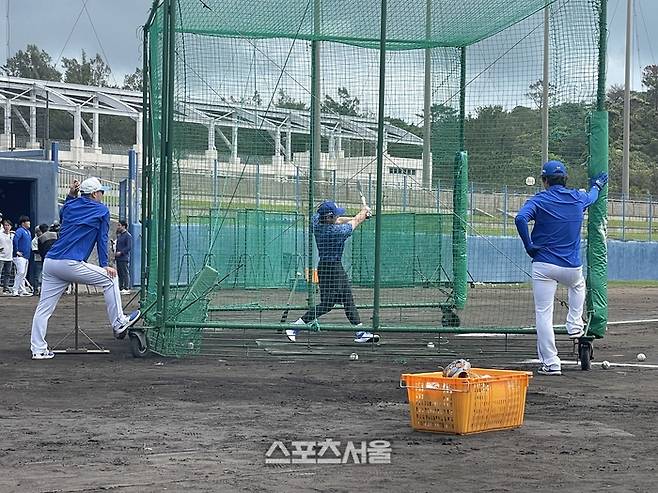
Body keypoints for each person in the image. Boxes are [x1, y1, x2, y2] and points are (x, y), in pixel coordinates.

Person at [30, 178, 141, 360]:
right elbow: (102, 239)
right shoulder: (102, 211)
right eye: (101, 192)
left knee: (43, 309)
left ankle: (38, 349)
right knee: (110, 278)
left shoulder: (69, 206)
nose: (102, 195)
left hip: (51, 262)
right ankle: (119, 322)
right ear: (95, 194)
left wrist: (71, 194)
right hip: (69, 263)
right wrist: (106, 264)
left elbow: (66, 211)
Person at [515, 160, 608, 376]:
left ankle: (551, 362)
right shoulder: (577, 197)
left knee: (543, 314)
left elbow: (520, 218)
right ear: (565, 179)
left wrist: (529, 245)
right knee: (578, 285)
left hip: (543, 265)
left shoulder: (540, 199)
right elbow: (593, 197)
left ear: (544, 181)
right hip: (571, 267)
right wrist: (597, 185)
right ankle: (575, 324)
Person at [286, 200, 377, 344]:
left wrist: (361, 215)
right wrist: (363, 212)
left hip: (324, 267)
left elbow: (340, 219)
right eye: (333, 215)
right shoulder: (335, 232)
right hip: (334, 268)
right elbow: (354, 223)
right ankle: (360, 332)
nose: (336, 217)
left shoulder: (316, 221)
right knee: (344, 299)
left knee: (329, 304)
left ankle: (296, 326)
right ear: (328, 218)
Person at [12, 215, 32, 297]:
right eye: (27, 221)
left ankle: (22, 290)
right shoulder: (20, 230)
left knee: (23, 274)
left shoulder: (28, 232)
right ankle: (15, 290)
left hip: (26, 256)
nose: (29, 223)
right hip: (19, 256)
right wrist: (16, 251)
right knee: (20, 273)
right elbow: (15, 240)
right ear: (23, 223)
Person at [115, 219, 133, 295]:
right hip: (118, 258)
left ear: (124, 226)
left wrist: (121, 252)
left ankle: (126, 287)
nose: (118, 227)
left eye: (119, 225)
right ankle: (121, 287)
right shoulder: (120, 235)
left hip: (124, 258)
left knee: (125, 272)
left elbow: (129, 247)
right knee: (120, 273)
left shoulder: (128, 236)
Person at [0, 219, 13, 294]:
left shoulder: (12, 235)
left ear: (11, 226)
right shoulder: (0, 234)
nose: (7, 227)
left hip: (9, 257)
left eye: (8, 225)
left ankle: (6, 288)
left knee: (8, 273)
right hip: (1, 257)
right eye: (5, 225)